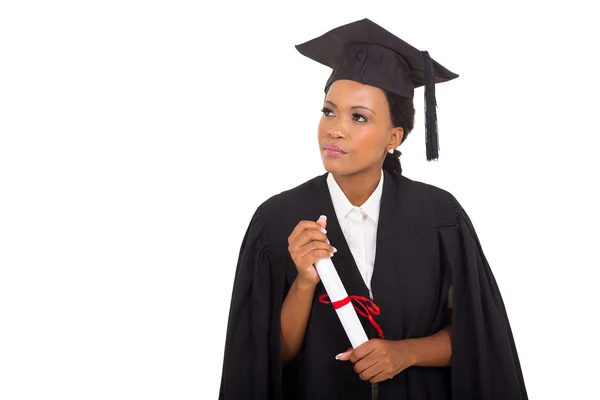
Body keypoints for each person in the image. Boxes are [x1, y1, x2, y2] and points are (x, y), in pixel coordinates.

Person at [218, 18, 528, 400]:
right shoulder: (277, 221)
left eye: (358, 117)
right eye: (329, 111)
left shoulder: (439, 218)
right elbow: (261, 362)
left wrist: (405, 353)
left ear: (394, 137)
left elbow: (479, 337)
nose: (336, 129)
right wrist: (303, 282)